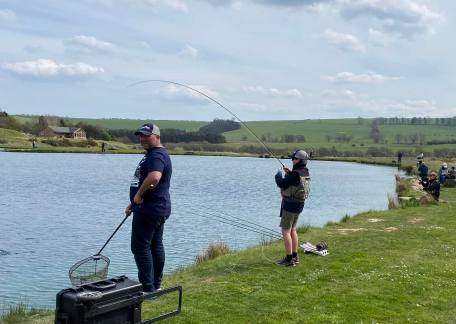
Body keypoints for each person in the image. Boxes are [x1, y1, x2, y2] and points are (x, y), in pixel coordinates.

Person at [125, 123, 172, 292]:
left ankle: (147, 288)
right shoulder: (155, 154)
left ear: (157, 136)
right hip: (156, 207)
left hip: (150, 209)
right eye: (140, 135)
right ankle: (155, 286)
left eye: (146, 135)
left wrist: (138, 196)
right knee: (154, 245)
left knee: (140, 247)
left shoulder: (156, 155)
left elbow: (154, 177)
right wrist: (134, 202)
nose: (142, 138)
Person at [274, 150, 310, 267]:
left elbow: (282, 183)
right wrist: (290, 172)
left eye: (293, 158)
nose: (292, 160)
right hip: (299, 205)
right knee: (293, 229)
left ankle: (289, 259)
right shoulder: (304, 171)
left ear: (298, 160)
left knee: (285, 231)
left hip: (290, 205)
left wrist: (278, 175)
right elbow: (295, 181)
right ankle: (295, 256)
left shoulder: (295, 174)